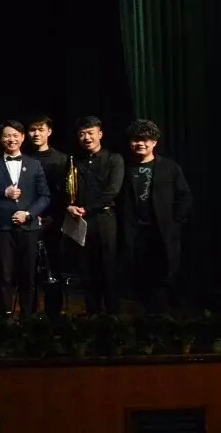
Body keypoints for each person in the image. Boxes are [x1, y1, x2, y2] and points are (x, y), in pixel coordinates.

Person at [119, 119, 192, 314]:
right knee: (139, 282)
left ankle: (160, 321)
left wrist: (177, 222)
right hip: (135, 234)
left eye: (145, 140)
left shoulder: (169, 167)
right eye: (135, 140)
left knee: (164, 279)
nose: (140, 144)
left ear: (154, 142)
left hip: (162, 233)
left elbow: (184, 196)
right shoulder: (123, 167)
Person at [0, 121, 51, 316]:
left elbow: (44, 196)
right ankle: (4, 318)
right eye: (7, 135)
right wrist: (4, 192)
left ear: (22, 137)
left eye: (15, 135)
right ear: (1, 139)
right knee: (4, 275)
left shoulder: (34, 164)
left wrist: (28, 214)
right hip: (2, 227)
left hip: (29, 228)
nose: (11, 139)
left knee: (28, 276)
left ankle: (28, 318)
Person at [67, 116, 124, 315]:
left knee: (108, 268)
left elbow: (112, 191)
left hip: (104, 219)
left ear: (100, 134)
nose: (86, 138)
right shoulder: (75, 161)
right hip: (80, 219)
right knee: (86, 270)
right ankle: (92, 315)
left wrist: (87, 208)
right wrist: (70, 206)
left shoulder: (114, 159)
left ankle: (113, 317)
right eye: (82, 134)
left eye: (90, 133)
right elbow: (68, 190)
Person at [25, 115, 70, 315]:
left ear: (49, 132)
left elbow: (65, 193)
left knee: (54, 267)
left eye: (41, 129)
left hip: (53, 221)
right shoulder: (23, 157)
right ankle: (30, 313)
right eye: (32, 130)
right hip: (29, 219)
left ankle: (54, 314)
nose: (36, 134)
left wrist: (54, 217)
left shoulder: (62, 159)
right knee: (29, 270)